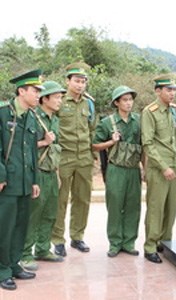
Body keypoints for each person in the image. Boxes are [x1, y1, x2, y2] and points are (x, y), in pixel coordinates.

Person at [0, 69, 42, 290]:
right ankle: (2, 269)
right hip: (7, 183)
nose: (38, 95)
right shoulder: (3, 113)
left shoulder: (32, 116)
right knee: (4, 227)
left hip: (25, 181)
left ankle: (14, 264)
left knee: (20, 226)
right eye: (35, 91)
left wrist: (35, 180)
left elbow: (32, 152)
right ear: (21, 91)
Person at [52, 62, 97, 257]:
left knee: (82, 199)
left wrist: (93, 156)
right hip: (65, 156)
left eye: (83, 81)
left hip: (84, 158)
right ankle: (58, 239)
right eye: (77, 81)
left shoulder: (89, 103)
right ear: (68, 81)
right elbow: (52, 127)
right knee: (60, 199)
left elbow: (92, 129)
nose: (80, 85)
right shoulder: (59, 101)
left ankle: (77, 236)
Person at [92, 86, 142, 258]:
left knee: (133, 207)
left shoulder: (138, 120)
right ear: (116, 103)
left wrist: (145, 170)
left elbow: (144, 147)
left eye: (130, 99)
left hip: (133, 169)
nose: (129, 103)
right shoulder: (107, 122)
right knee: (114, 206)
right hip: (116, 169)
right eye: (125, 100)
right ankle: (115, 243)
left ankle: (129, 242)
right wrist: (110, 142)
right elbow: (94, 145)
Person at [20, 81, 65, 271]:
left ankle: (43, 248)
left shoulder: (54, 119)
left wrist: (58, 172)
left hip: (51, 172)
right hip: (36, 173)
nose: (59, 101)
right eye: (56, 97)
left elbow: (56, 148)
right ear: (44, 99)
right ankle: (24, 253)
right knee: (33, 214)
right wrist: (44, 142)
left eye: (61, 98)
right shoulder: (32, 117)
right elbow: (23, 147)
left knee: (49, 213)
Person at [141, 73, 176, 264]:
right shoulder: (150, 112)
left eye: (174, 89)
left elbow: (174, 141)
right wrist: (164, 166)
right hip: (159, 168)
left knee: (171, 208)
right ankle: (150, 245)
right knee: (156, 208)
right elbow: (148, 144)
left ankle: (164, 242)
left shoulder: (172, 111)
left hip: (173, 165)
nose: (172, 93)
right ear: (158, 91)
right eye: (168, 89)